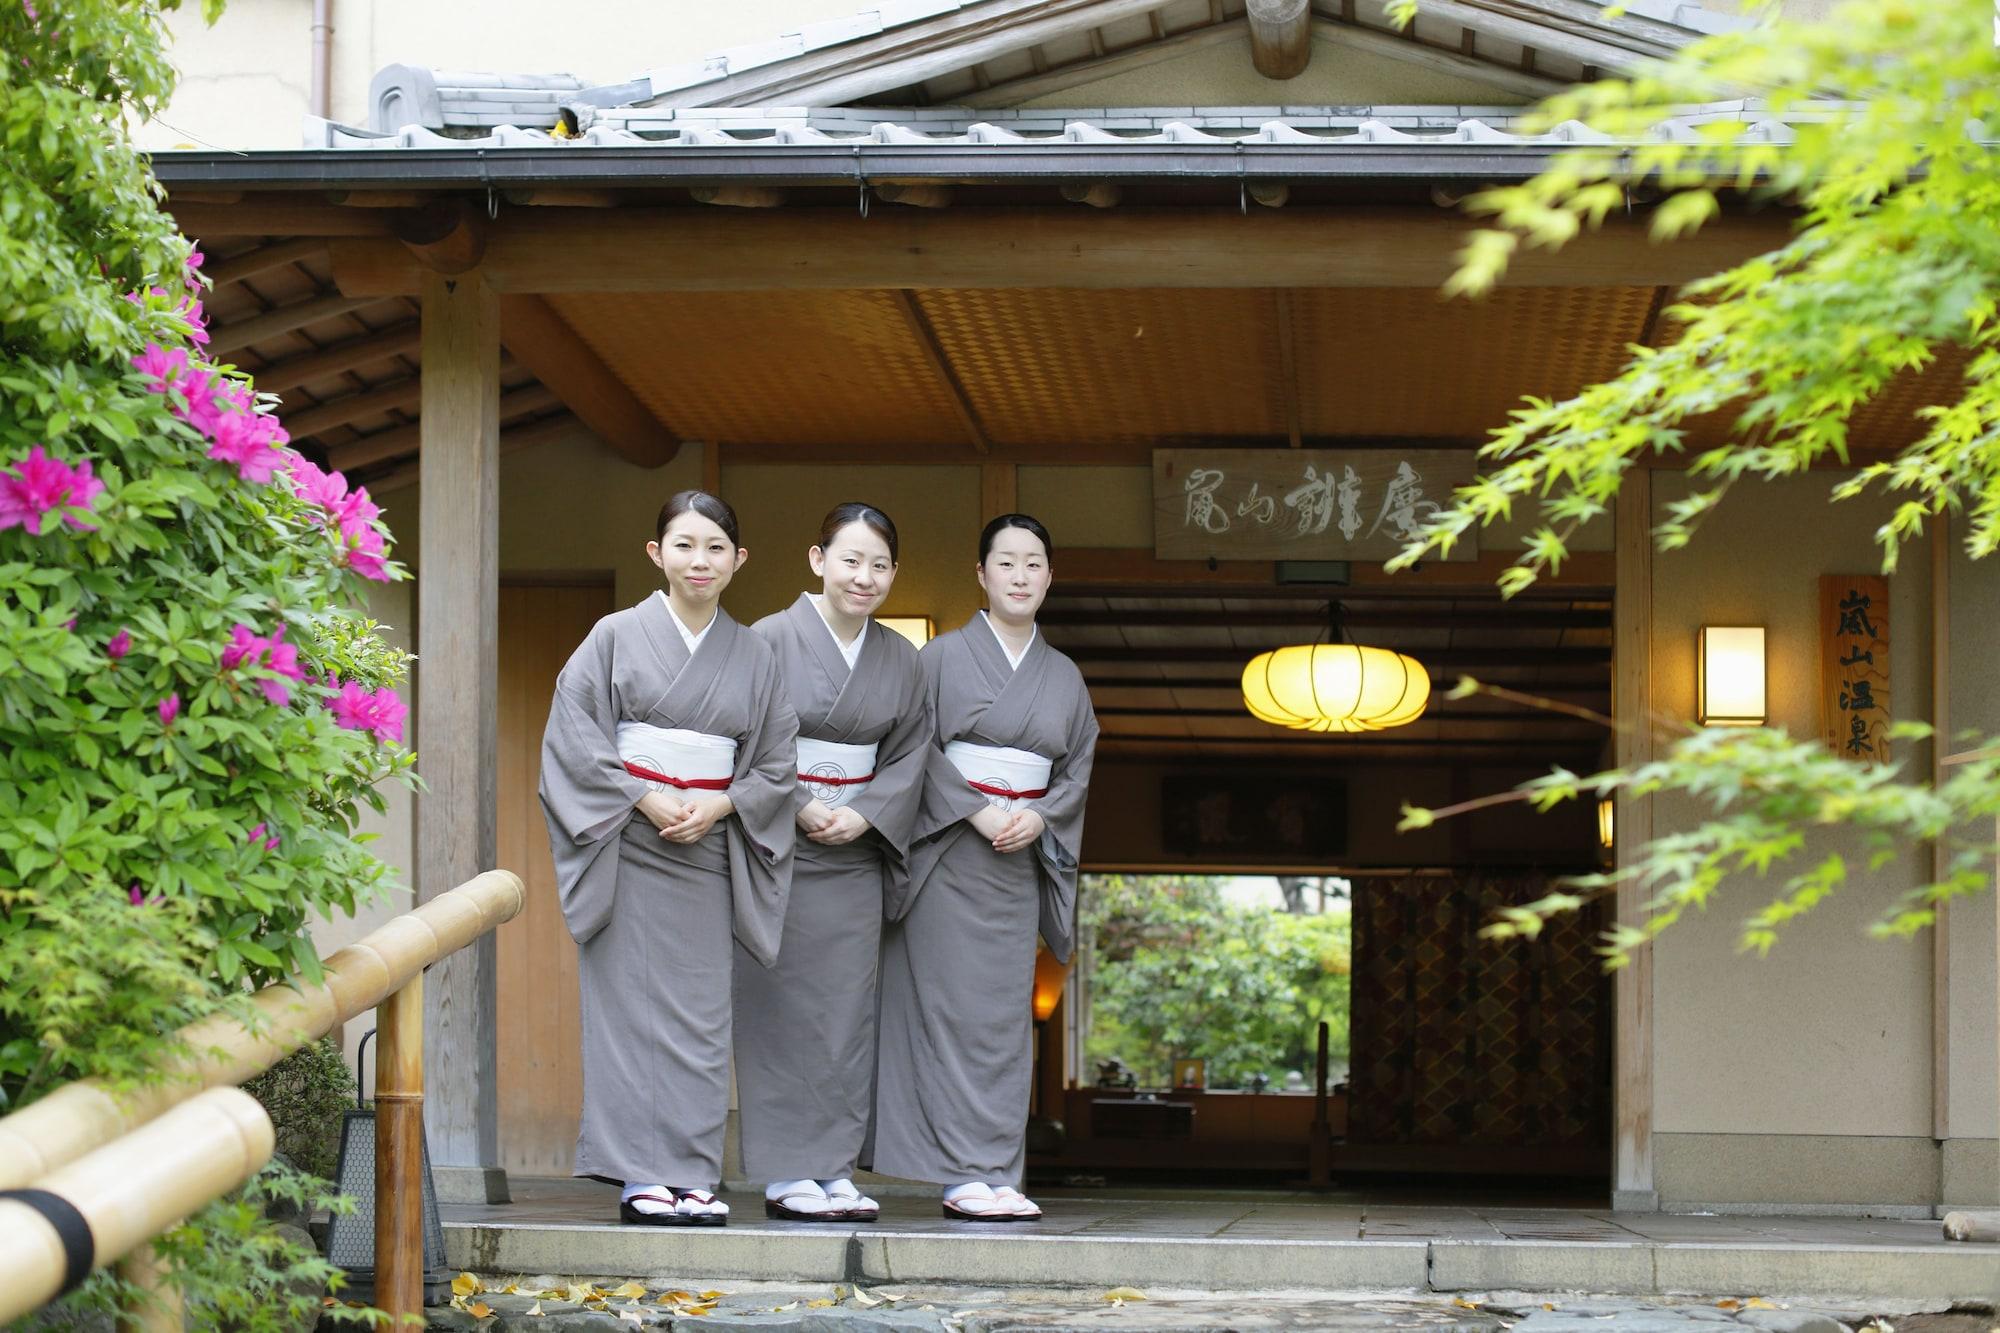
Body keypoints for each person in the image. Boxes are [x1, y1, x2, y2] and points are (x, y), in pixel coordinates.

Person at [537, 489, 797, 1227]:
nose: (700, 560)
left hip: (709, 851)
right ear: (657, 554)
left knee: (702, 1016)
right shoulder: (614, 634)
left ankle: (691, 1171)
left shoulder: (756, 655)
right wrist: (642, 797)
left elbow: (777, 763)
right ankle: (640, 1174)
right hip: (628, 844)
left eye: (716, 546)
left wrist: (721, 803)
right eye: (684, 544)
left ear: (739, 559)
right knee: (626, 1013)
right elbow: (574, 736)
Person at [871, 512, 1099, 1222]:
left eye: (1034, 563)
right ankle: (957, 1171)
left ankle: (1000, 1169)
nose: (1021, 576)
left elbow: (1077, 766)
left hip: (1016, 865)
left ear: (1050, 577)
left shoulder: (1063, 676)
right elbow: (913, 749)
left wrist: (1041, 815)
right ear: (981, 574)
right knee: (947, 1012)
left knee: (1004, 1020)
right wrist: (974, 809)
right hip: (950, 855)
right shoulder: (936, 661)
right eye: (1007, 562)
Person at [735, 502, 931, 1223]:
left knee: (847, 1012)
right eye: (851, 559)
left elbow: (911, 752)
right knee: (780, 1007)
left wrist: (867, 810)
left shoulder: (901, 660)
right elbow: (746, 737)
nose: (865, 576)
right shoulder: (767, 641)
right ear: (818, 561)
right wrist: (795, 800)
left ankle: (833, 1167)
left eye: (880, 564)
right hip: (781, 848)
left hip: (854, 851)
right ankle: (789, 1170)